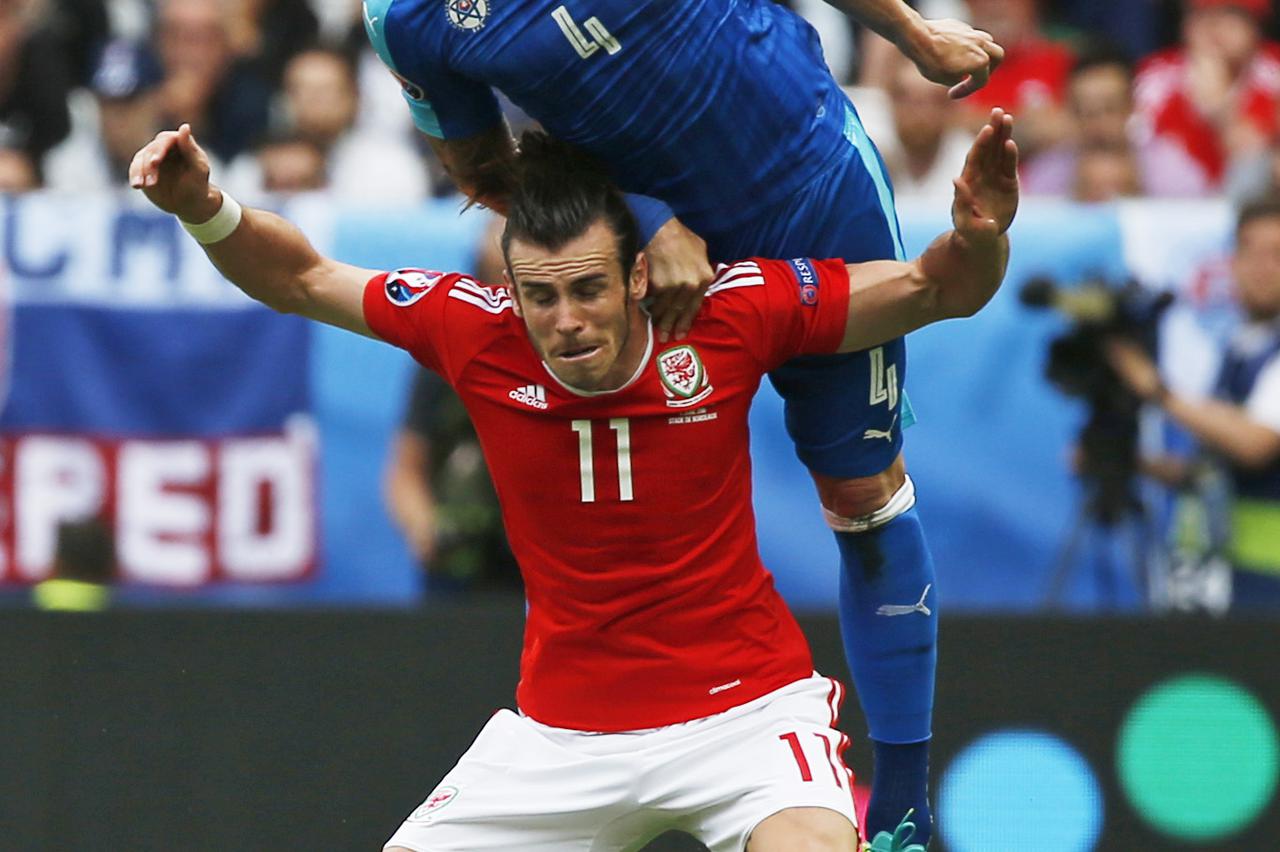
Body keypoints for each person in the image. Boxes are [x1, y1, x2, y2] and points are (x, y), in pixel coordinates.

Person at [127, 109, 1017, 851]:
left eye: (589, 289)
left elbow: (935, 289)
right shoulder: (471, 330)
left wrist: (981, 235)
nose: (566, 322)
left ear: (638, 273)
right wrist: (205, 207)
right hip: (558, 738)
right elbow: (301, 276)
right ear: (509, 288)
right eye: (540, 296)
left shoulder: (728, 313)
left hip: (744, 715)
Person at [362, 0, 1004, 841]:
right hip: (651, 255)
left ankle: (905, 801)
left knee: (863, 487)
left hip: (814, 181)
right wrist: (643, 215)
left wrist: (911, 31)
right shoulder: (405, 17)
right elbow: (484, 169)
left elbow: (947, 286)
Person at [1107, 197, 1280, 610]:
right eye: (1249, 251)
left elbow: (1256, 444)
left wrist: (1156, 390)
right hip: (1219, 584)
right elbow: (1212, 471)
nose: (1261, 267)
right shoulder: (1237, 350)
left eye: (1276, 254)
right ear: (1231, 263)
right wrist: (1129, 462)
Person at [1021, 40, 1210, 199]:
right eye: (1084, 111)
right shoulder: (1045, 175)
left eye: (1109, 109)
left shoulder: (1173, 172)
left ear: (1132, 106)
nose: (1097, 124)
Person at [1133, 0, 1280, 191]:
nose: (1214, 26)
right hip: (1170, 204)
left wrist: (1222, 112)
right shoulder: (1155, 73)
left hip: (1258, 209)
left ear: (1256, 24)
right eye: (1201, 14)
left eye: (1230, 14)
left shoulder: (1275, 68)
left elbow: (1250, 155)